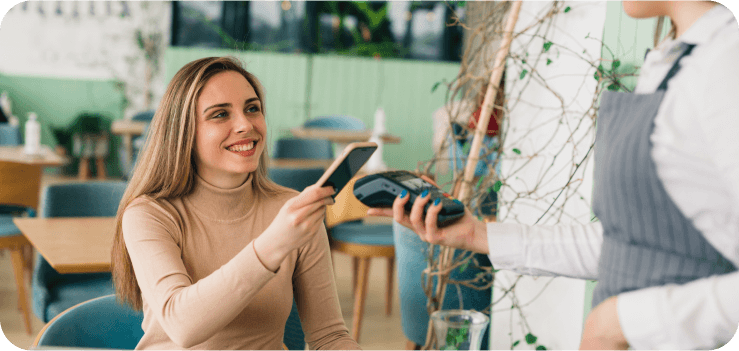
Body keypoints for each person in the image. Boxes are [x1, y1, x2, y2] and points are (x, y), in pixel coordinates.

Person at [368, 1, 738, 350]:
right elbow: (627, 248)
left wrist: (620, 321)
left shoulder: (725, 60)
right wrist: (477, 234)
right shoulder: (678, 60)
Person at [111, 57, 361, 350]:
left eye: (252, 108)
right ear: (184, 132)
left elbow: (329, 337)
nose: (245, 124)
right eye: (220, 115)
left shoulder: (291, 211)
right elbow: (183, 325)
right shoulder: (149, 214)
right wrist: (274, 243)